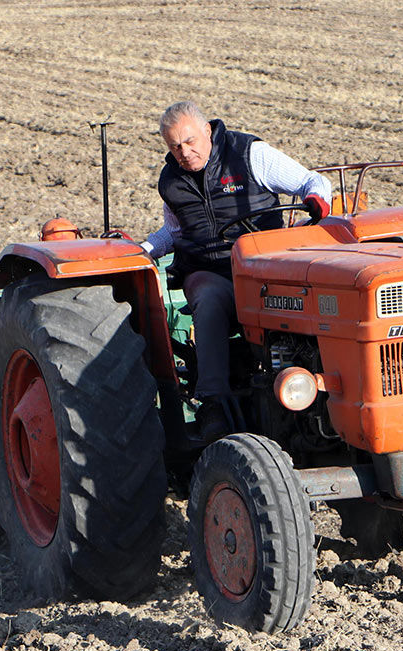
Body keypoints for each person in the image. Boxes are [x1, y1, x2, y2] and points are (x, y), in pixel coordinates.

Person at [140, 101, 332, 443]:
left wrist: (317, 201)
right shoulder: (172, 181)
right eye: (174, 147)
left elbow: (310, 182)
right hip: (211, 270)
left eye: (189, 141)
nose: (184, 152)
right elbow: (174, 231)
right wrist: (143, 250)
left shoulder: (248, 154)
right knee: (208, 297)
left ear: (207, 131)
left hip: (265, 271)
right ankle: (213, 403)